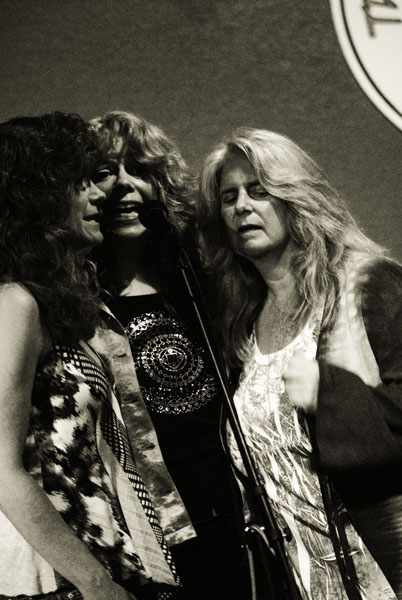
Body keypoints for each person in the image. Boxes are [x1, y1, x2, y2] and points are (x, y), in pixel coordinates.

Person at [197, 127, 402, 600]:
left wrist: (330, 393)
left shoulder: (366, 284)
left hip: (386, 566)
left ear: (295, 197)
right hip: (307, 581)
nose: (242, 206)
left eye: (259, 190)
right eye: (229, 197)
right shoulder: (241, 325)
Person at [0, 112, 181, 600]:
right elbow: (1, 469)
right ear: (37, 196)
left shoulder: (58, 308)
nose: (99, 194)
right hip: (45, 577)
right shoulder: (14, 304)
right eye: (79, 183)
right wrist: (94, 582)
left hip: (91, 565)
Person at [90, 111, 248, 600]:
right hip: (152, 538)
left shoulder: (202, 280)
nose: (124, 185)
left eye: (139, 170)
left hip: (240, 520)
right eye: (104, 172)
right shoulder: (76, 302)